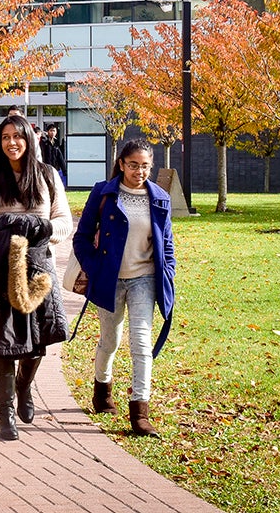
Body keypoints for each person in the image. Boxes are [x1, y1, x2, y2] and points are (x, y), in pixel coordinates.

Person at [0, 115, 72, 441]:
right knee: (7, 340)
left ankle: (24, 386)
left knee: (37, 341)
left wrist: (40, 229)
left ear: (29, 139)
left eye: (18, 136)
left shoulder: (47, 176)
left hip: (39, 271)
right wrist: (7, 229)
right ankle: (6, 411)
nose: (12, 142)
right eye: (6, 137)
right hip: (0, 273)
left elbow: (64, 222)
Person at [71, 138, 176, 438]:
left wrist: (168, 272)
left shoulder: (159, 198)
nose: (139, 171)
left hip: (145, 278)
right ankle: (102, 391)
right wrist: (95, 269)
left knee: (141, 344)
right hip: (110, 279)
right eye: (133, 165)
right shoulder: (103, 194)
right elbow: (81, 238)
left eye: (145, 166)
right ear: (121, 164)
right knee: (110, 341)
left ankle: (140, 411)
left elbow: (166, 243)